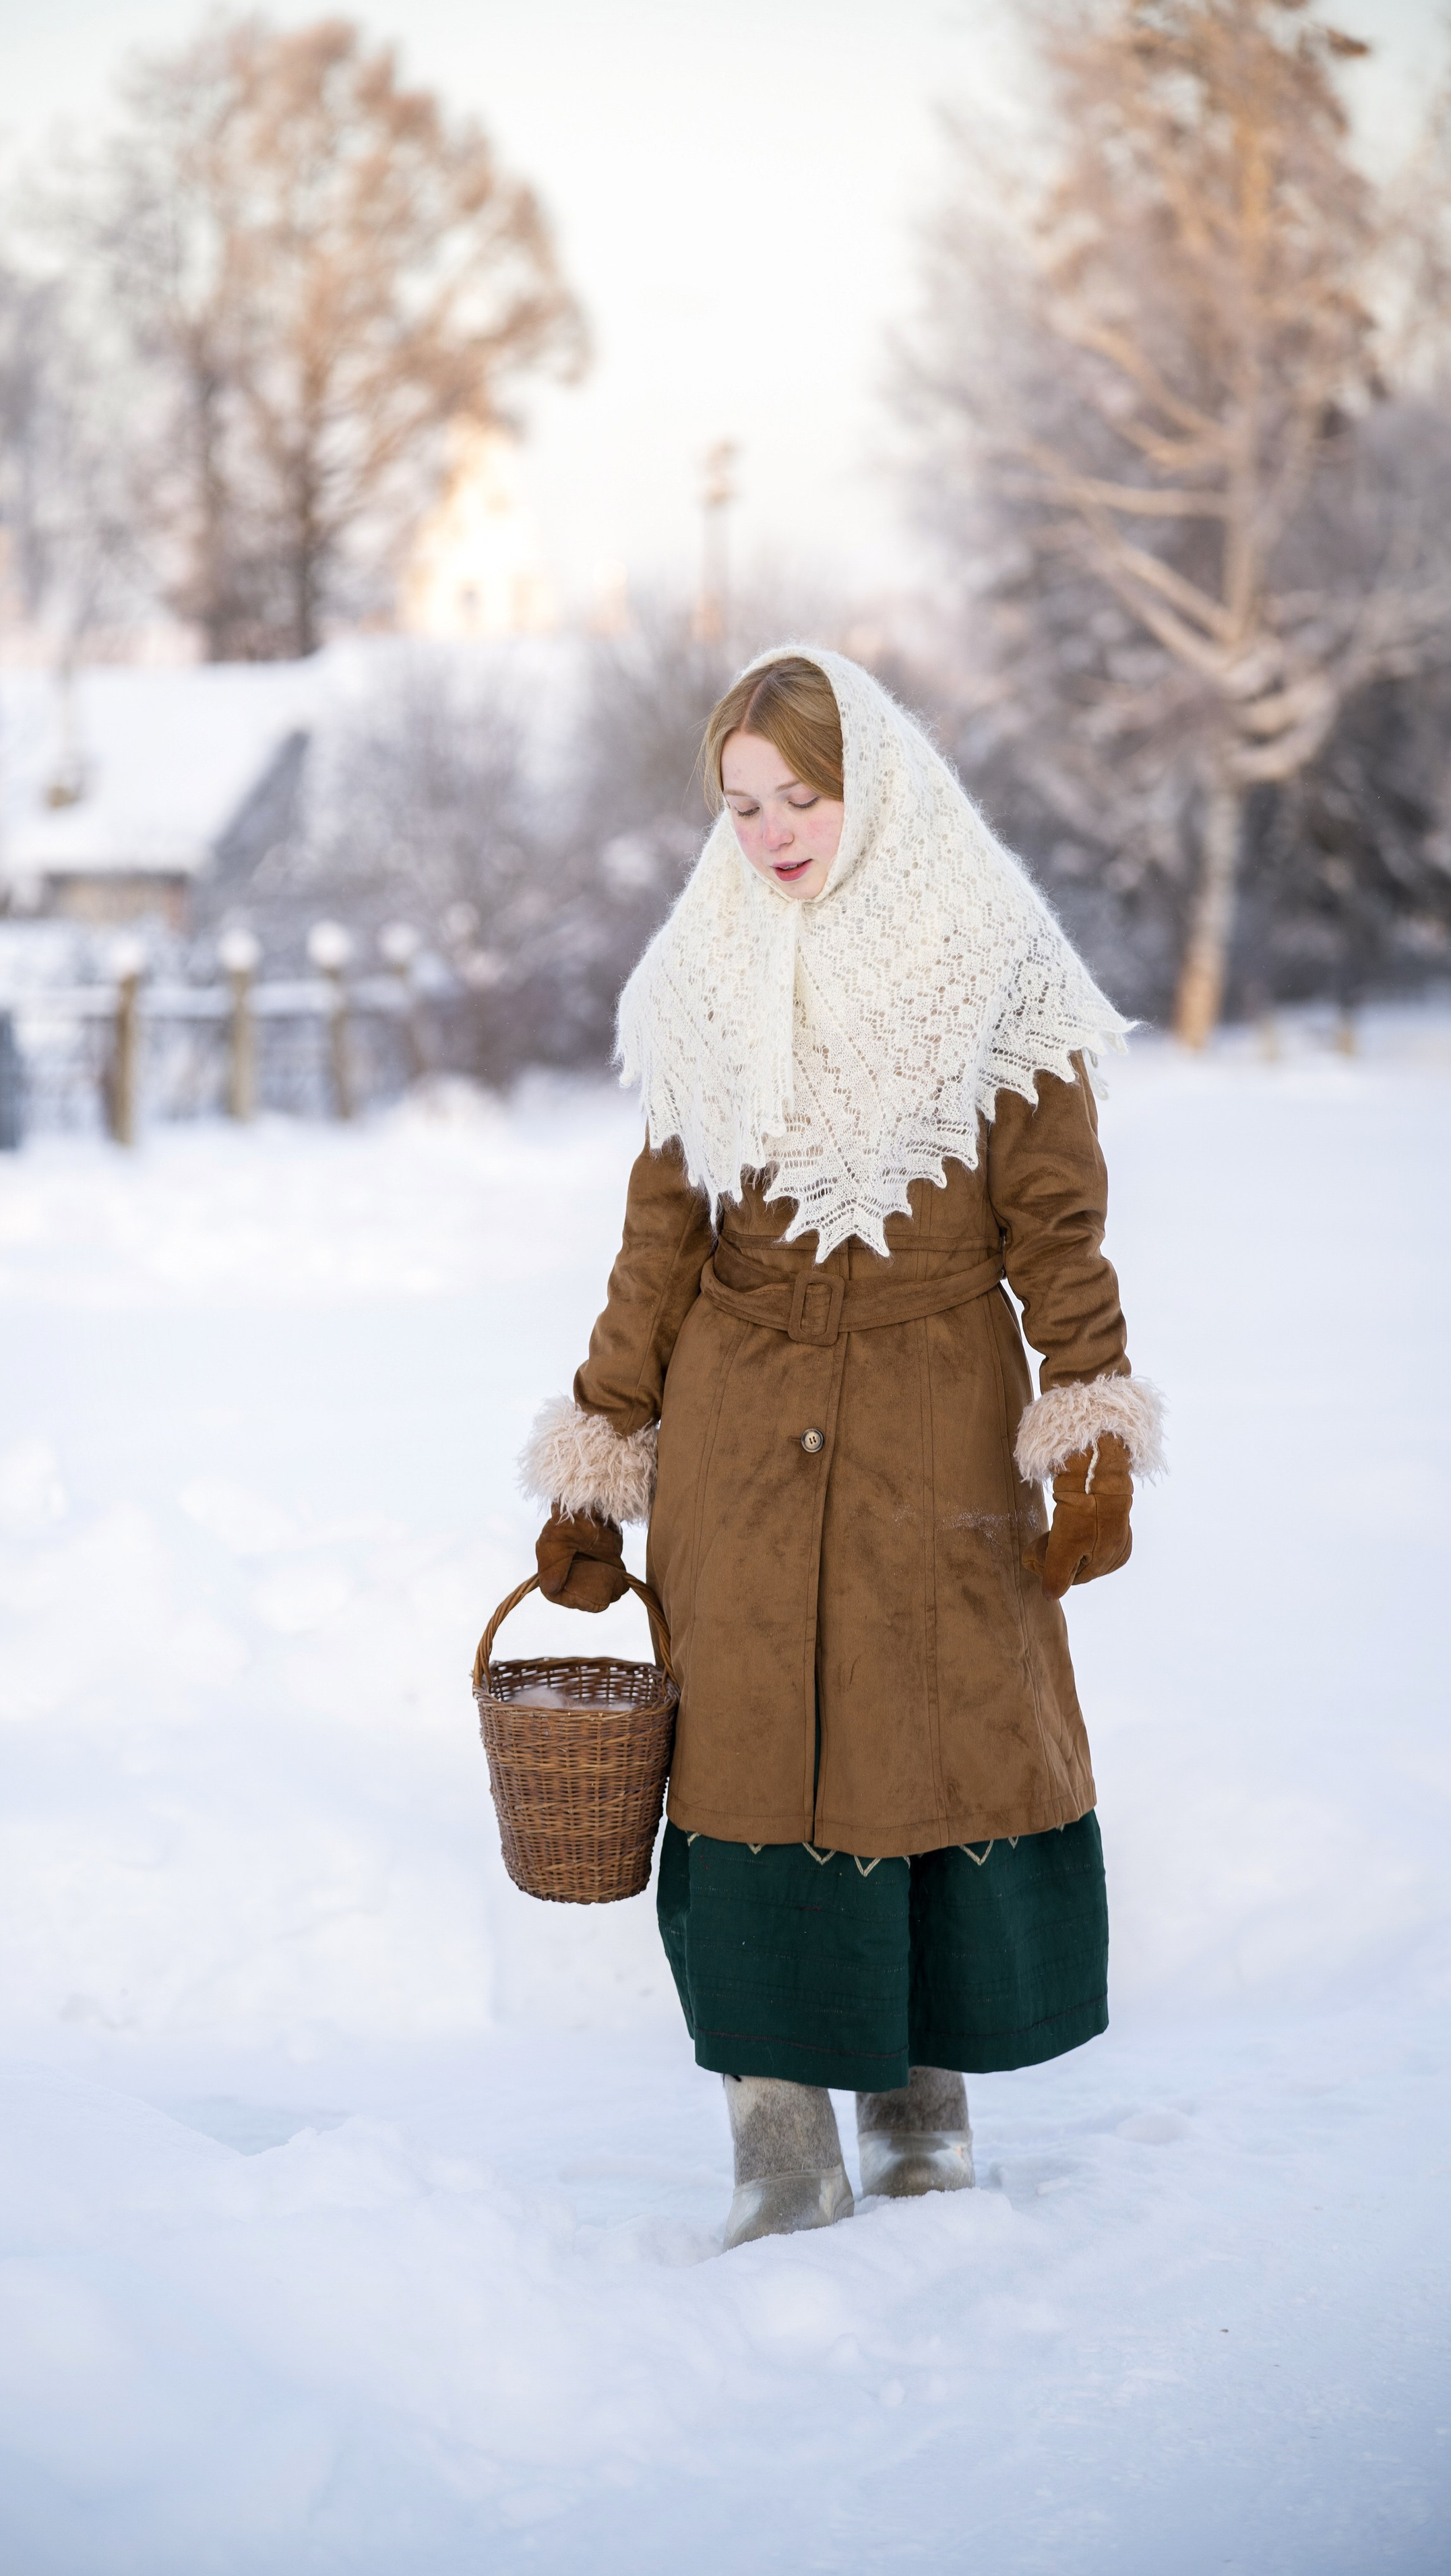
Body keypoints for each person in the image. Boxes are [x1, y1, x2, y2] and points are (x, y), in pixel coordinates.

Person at [520, 647, 1163, 2250]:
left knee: (922, 1749)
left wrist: (1087, 1413)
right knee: (743, 1767)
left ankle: (921, 2122)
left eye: (800, 795)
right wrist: (600, 1447)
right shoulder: (702, 968)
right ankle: (778, 2150)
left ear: (870, 784)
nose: (771, 834)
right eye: (741, 805)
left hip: (933, 1423)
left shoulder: (994, 959)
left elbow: (1055, 1221)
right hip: (735, 1436)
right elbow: (657, 1242)